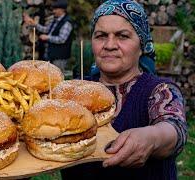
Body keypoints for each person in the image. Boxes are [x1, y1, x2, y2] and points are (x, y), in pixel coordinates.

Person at [61, 0, 187, 180]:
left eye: (122, 36)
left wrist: (152, 137)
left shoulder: (160, 90)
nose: (110, 45)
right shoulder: (72, 91)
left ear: (142, 45)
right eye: (101, 36)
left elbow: (175, 129)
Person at [23, 0, 73, 73]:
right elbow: (47, 29)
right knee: (50, 76)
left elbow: (62, 39)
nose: (53, 11)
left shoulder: (67, 22)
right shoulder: (56, 20)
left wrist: (47, 37)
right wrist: (34, 24)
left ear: (62, 10)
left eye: (55, 9)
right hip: (52, 55)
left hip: (60, 56)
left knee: (58, 75)